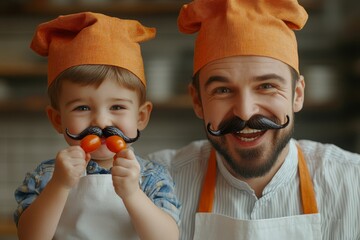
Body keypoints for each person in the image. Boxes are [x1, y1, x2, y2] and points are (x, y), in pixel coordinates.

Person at [147, 1, 360, 239]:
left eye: (267, 86)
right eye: (223, 90)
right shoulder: (154, 184)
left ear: (297, 94)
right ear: (197, 101)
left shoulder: (353, 182)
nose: (245, 113)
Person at [14, 12, 180, 240]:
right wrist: (59, 185)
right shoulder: (45, 177)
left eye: (117, 107)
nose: (101, 122)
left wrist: (132, 194)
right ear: (57, 120)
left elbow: (168, 237)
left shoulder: (152, 177)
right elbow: (29, 236)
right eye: (82, 108)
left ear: (141, 116)